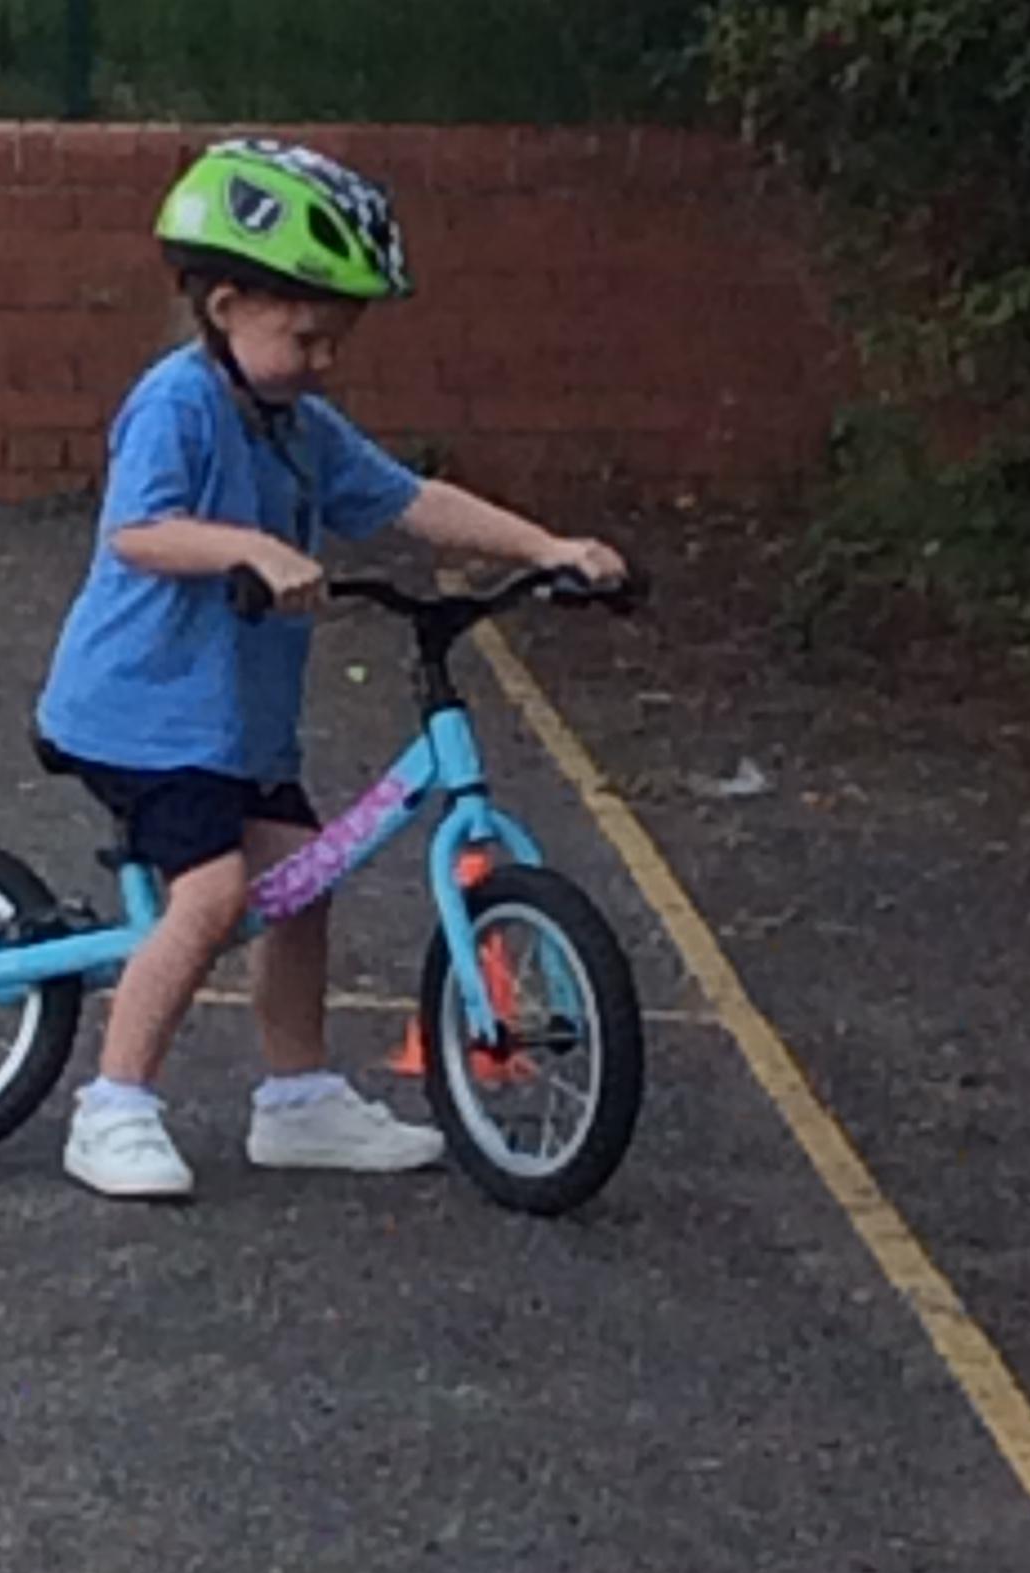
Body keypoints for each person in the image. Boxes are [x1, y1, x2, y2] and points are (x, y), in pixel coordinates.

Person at [35, 137, 627, 1201]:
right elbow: (139, 533)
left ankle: (297, 1098)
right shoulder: (177, 404)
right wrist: (251, 547)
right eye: (306, 336)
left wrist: (547, 547)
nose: (324, 360)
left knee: (306, 879)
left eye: (335, 340)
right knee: (212, 892)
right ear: (225, 307)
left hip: (234, 726)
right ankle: (113, 1106)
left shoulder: (300, 427)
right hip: (141, 715)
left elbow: (411, 499)